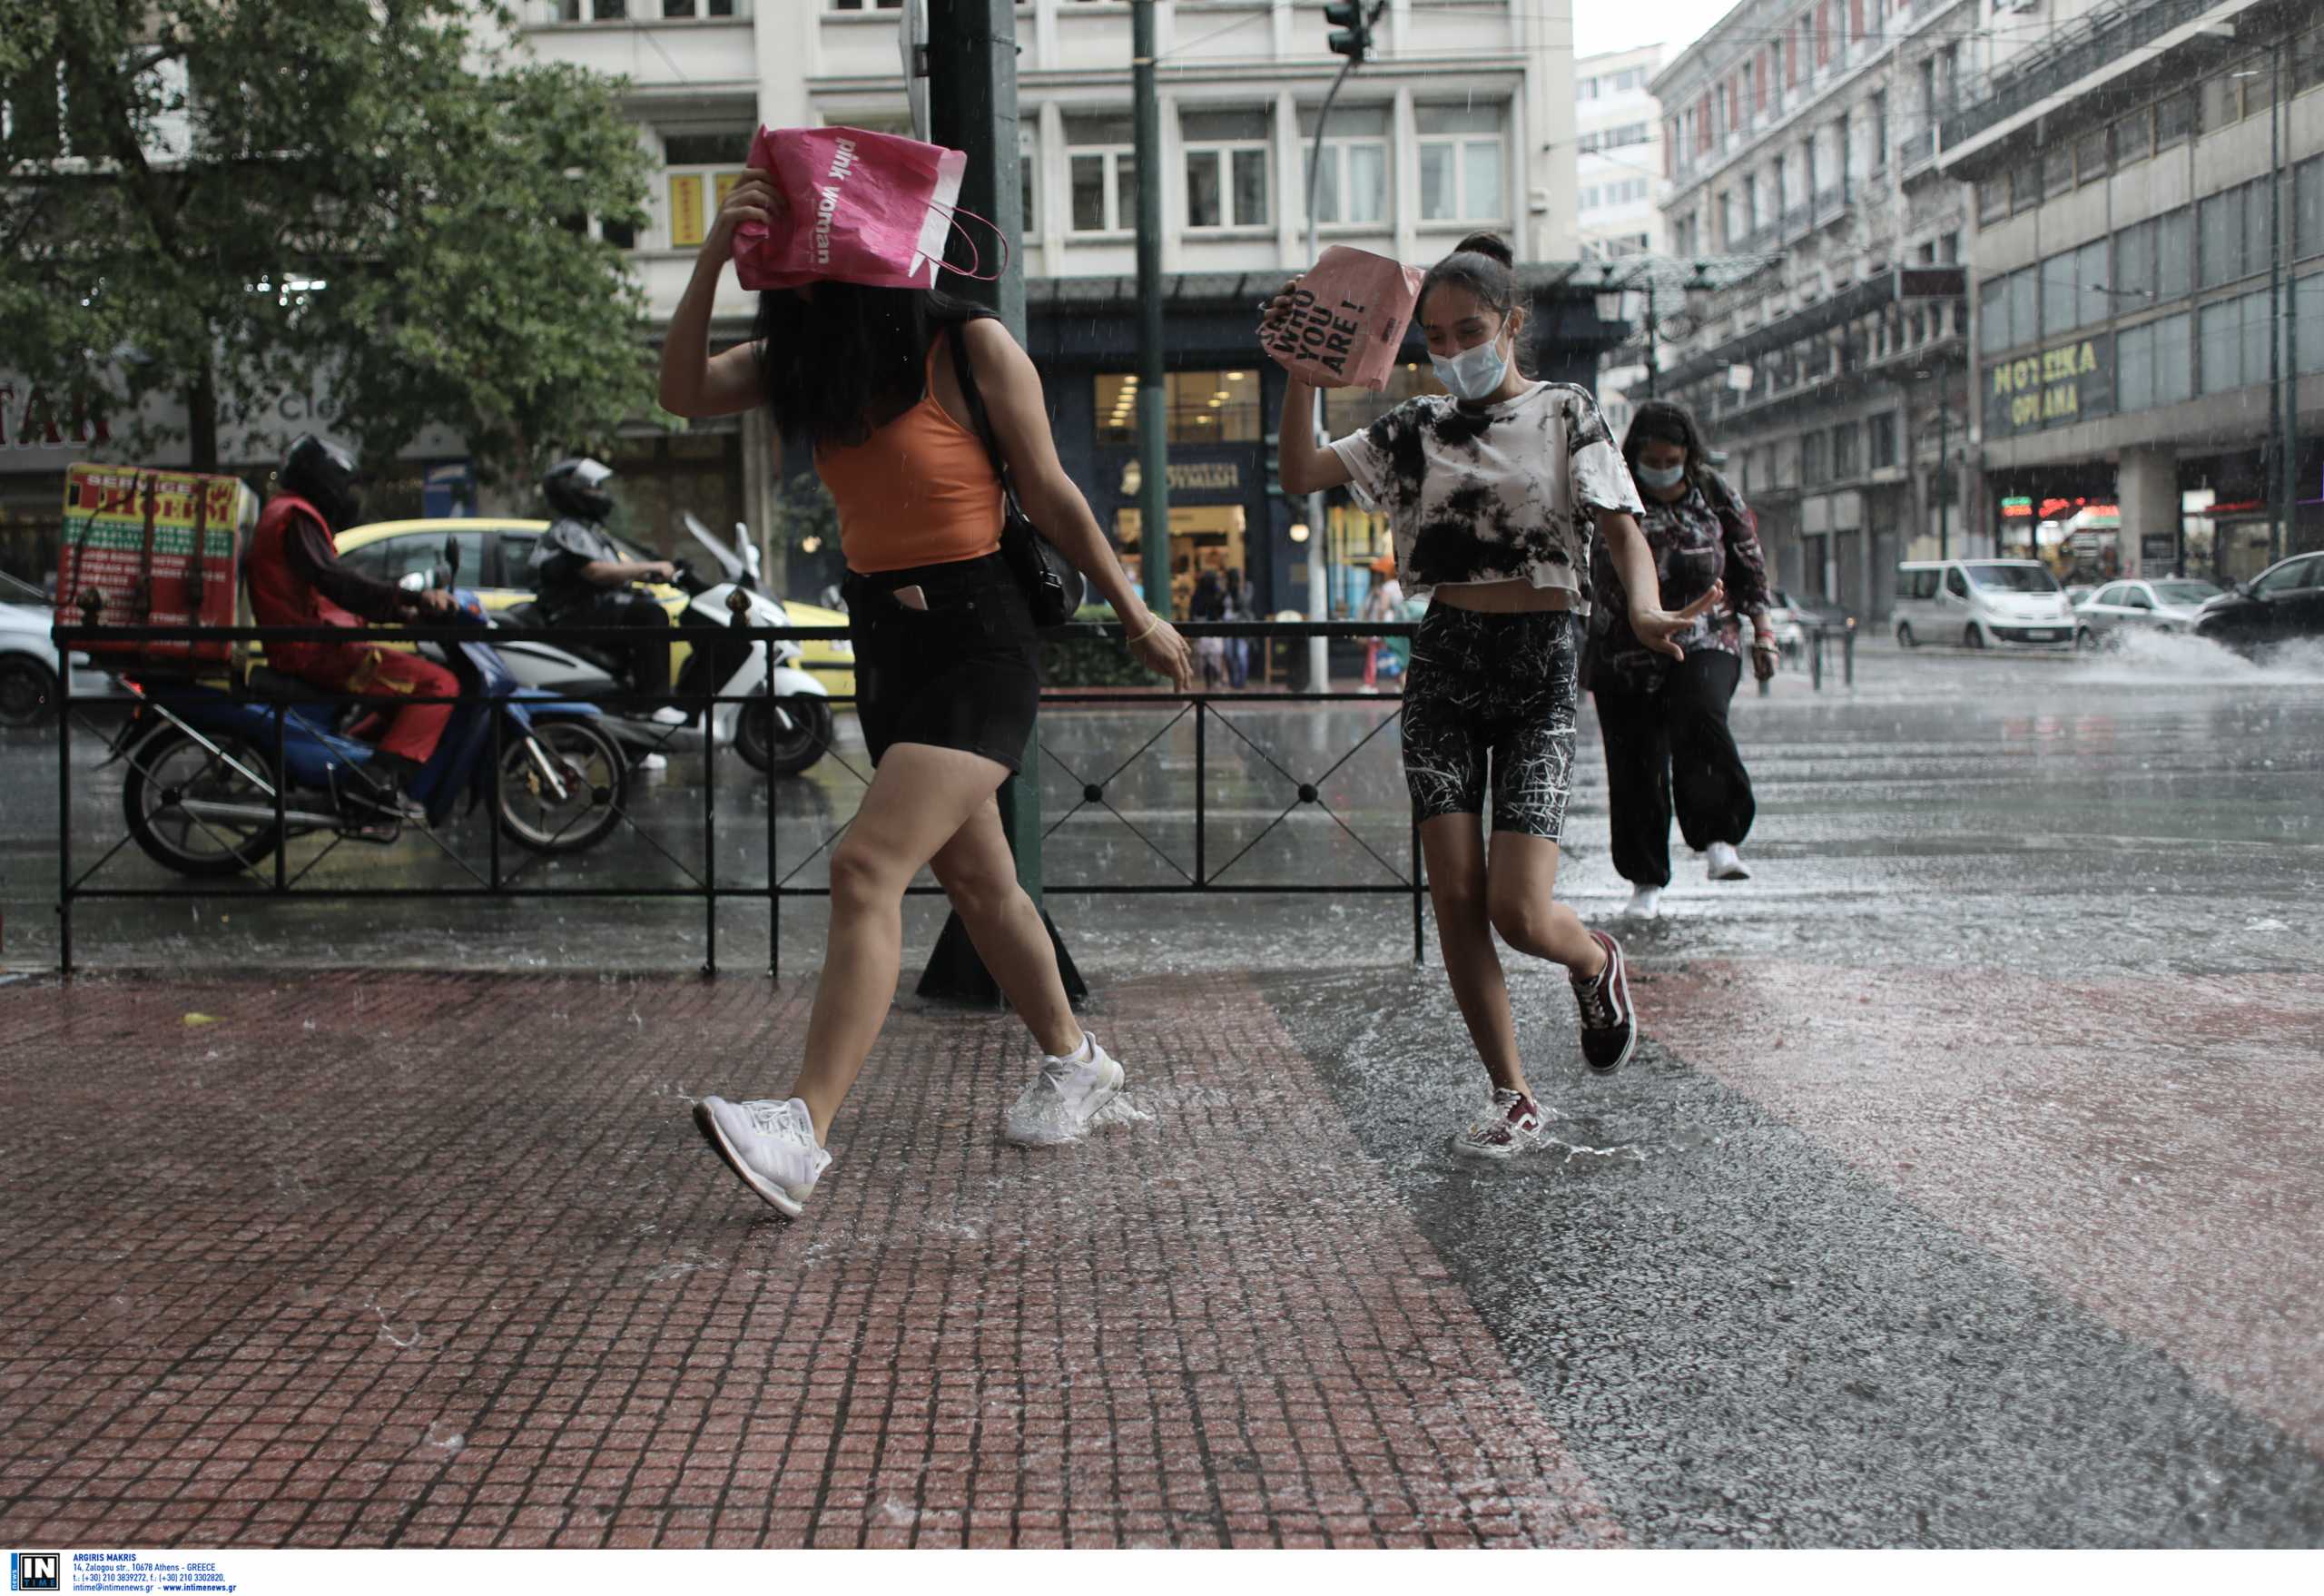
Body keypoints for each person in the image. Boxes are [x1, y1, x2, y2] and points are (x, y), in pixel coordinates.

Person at [659, 164, 1195, 1218]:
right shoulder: (805, 359)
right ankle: (1076, 1058)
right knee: (981, 885)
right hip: (884, 639)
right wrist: (714, 256)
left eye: (810, 275)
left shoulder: (968, 345)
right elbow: (680, 393)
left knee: (866, 866)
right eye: (783, 282)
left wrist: (1135, 615)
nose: (798, 295)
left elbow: (1048, 491)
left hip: (978, 638)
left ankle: (802, 1133)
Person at [1266, 232, 1718, 1159]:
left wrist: (1641, 608)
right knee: (1458, 900)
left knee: (1519, 911)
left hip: (1540, 668)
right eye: (1433, 337)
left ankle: (1592, 960)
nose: (1452, 349)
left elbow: (1619, 526)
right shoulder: (1412, 427)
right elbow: (1301, 473)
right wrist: (1305, 372)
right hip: (1444, 666)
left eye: (1469, 329)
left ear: (1509, 325)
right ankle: (1512, 1095)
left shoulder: (1565, 411)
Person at [1589, 400, 1777, 920]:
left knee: (1700, 713)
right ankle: (1645, 879)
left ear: (1688, 455)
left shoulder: (1714, 494)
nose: (1662, 467)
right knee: (1635, 765)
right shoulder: (1610, 492)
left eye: (1672, 458)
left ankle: (1719, 835)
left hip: (1706, 638)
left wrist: (1764, 634)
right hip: (1622, 649)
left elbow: (1749, 566)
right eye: (1652, 458)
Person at [244, 434, 458, 816]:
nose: (348, 496)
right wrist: (409, 598)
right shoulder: (295, 517)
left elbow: (328, 591)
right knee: (440, 684)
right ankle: (374, 784)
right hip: (312, 651)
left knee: (404, 683)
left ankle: (354, 762)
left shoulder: (286, 513)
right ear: (324, 483)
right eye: (344, 486)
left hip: (311, 643)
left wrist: (401, 614)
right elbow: (336, 582)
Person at [525, 457, 688, 726]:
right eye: (592, 488)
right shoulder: (569, 530)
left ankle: (633, 718)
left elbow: (617, 569)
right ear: (572, 492)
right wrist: (647, 568)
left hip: (587, 610)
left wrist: (653, 573)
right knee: (651, 615)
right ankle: (653, 704)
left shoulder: (588, 531)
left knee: (643, 608)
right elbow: (596, 572)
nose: (600, 494)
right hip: (573, 614)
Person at [1360, 555, 1403, 691]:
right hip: (1396, 627)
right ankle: (1400, 683)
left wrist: (1377, 626)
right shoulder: (1400, 586)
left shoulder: (1387, 587)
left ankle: (1370, 683)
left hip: (1382, 627)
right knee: (1395, 655)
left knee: (1373, 656)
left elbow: (1382, 609)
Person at [1222, 568, 1252, 689]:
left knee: (1241, 654)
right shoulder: (1225, 591)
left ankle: (1242, 682)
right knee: (1229, 654)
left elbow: (1244, 604)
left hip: (1241, 624)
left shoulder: (1247, 587)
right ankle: (1233, 681)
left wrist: (1239, 589)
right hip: (1226, 625)